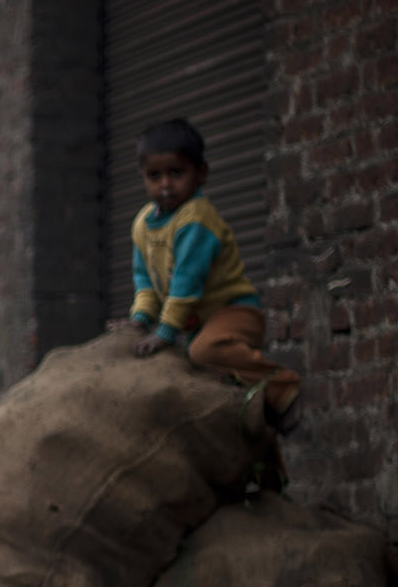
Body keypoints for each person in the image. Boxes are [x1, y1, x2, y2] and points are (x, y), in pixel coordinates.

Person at [124, 118, 301, 432]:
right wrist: (140, 318)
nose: (164, 184)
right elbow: (144, 279)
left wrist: (164, 332)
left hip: (234, 312)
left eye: (176, 173)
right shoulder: (142, 224)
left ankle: (283, 386)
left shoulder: (196, 219)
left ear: (201, 173)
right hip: (195, 325)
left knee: (204, 351)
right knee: (222, 400)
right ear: (142, 177)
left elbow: (186, 282)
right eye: (154, 176)